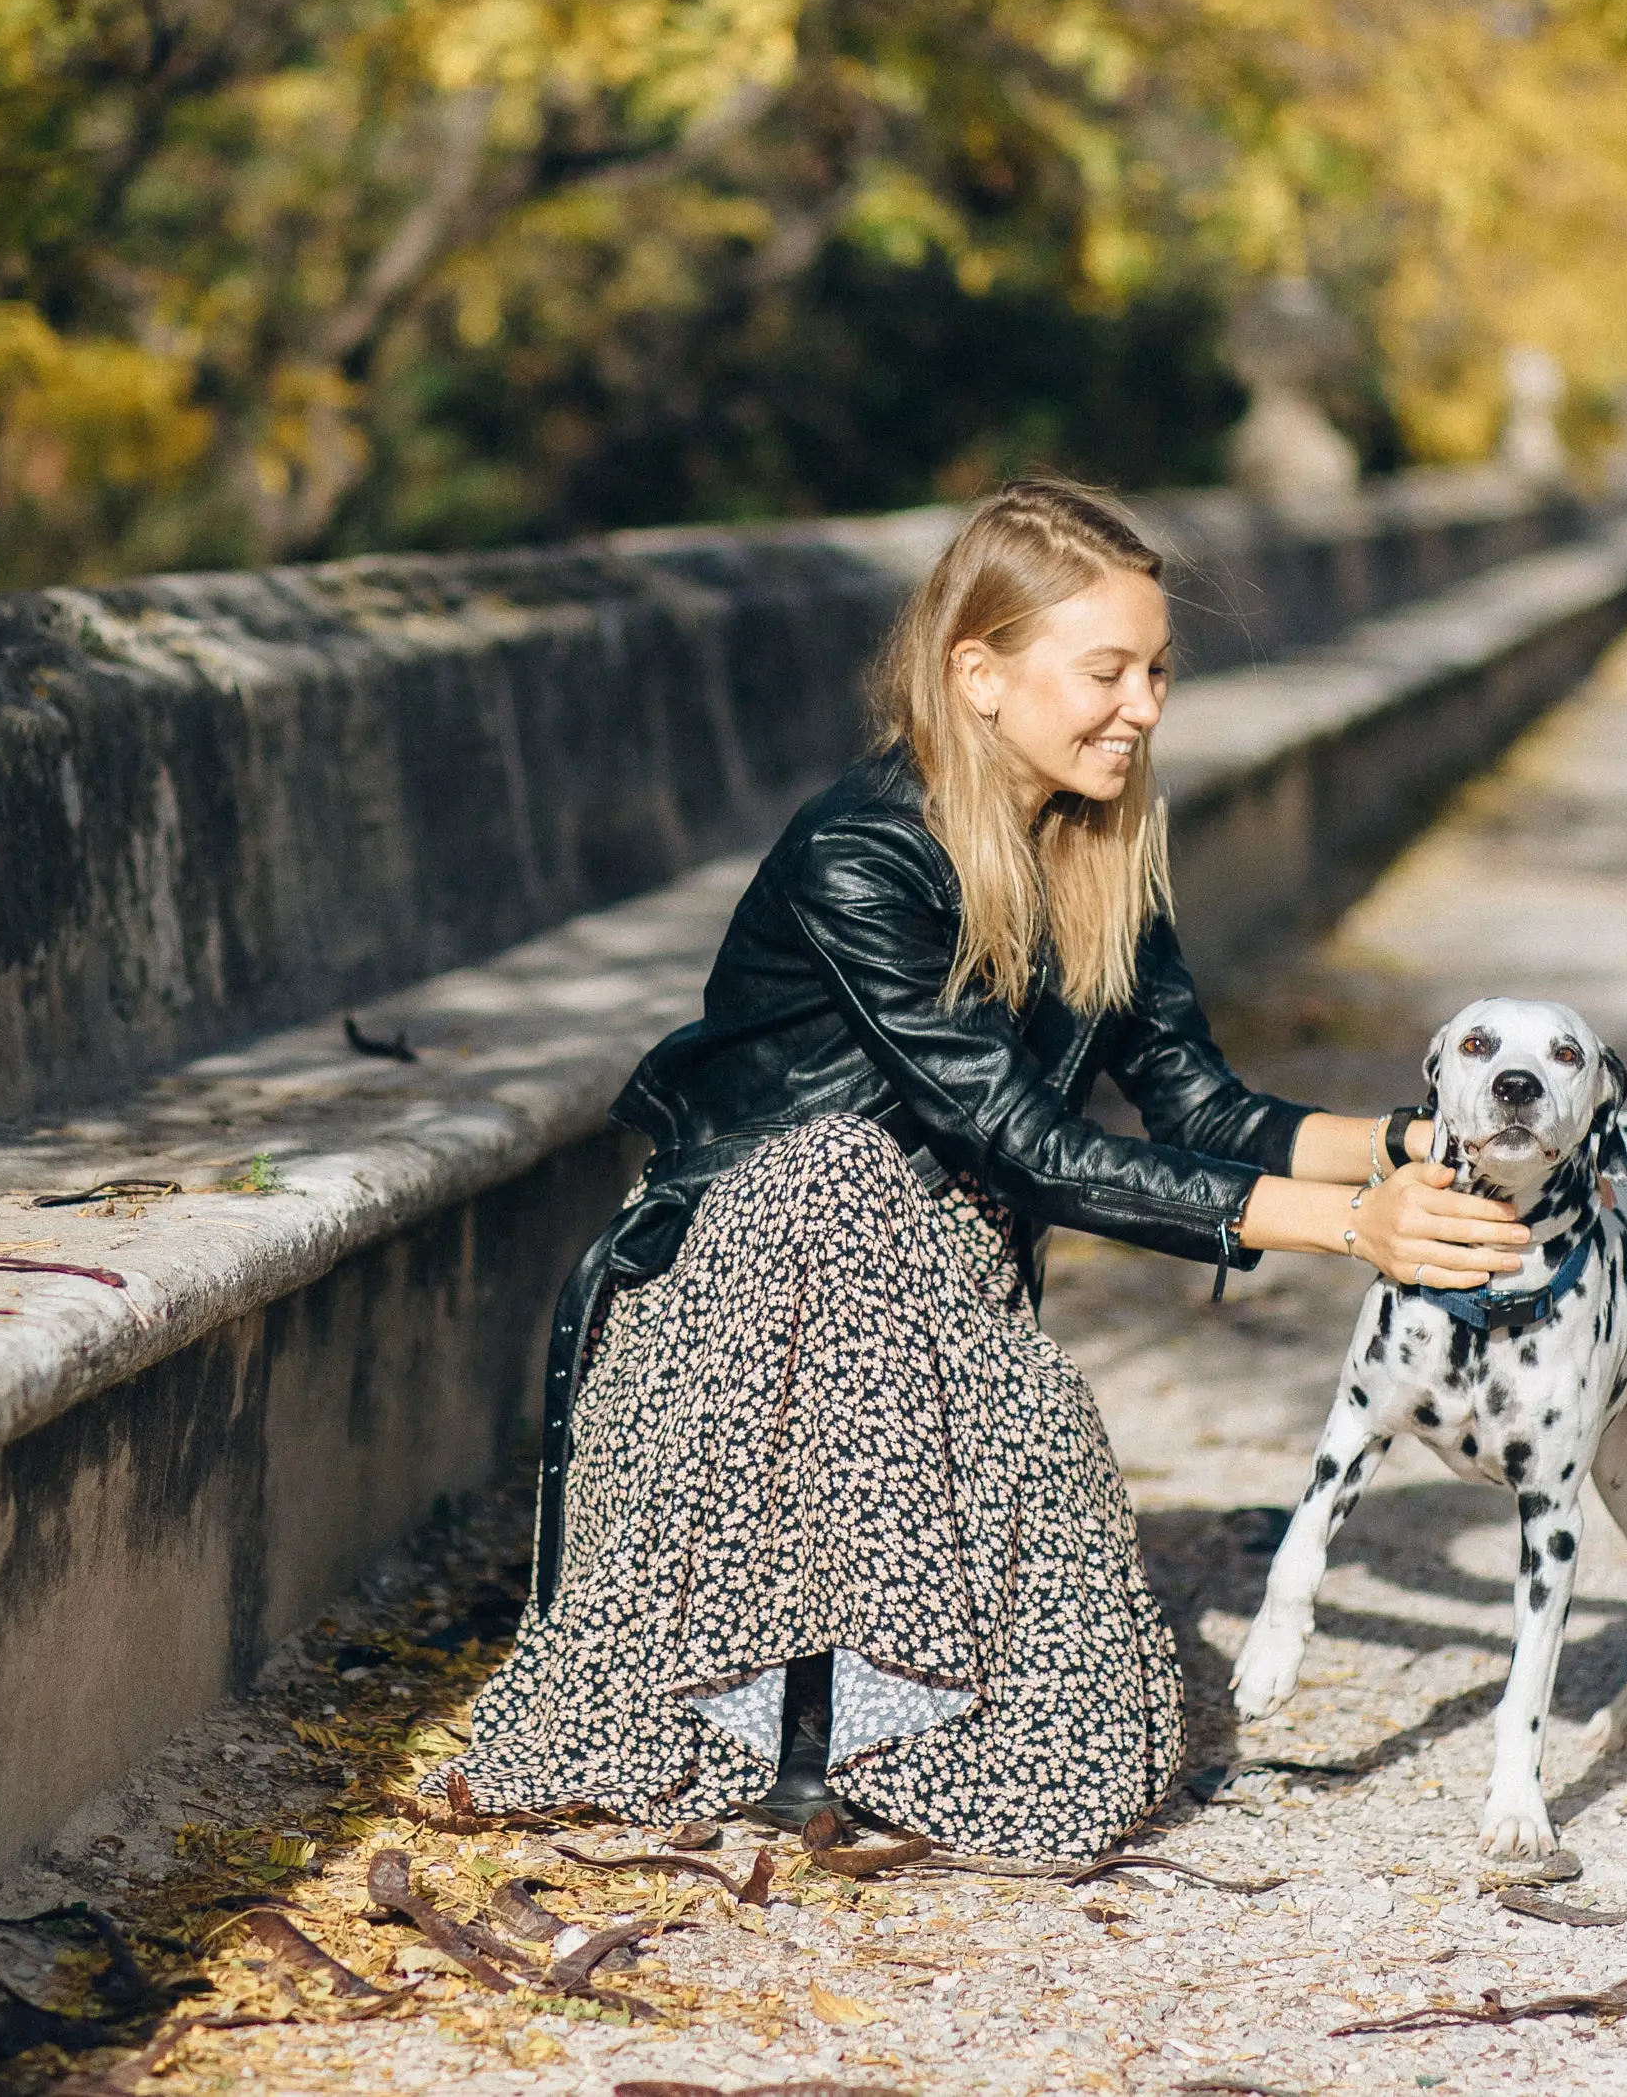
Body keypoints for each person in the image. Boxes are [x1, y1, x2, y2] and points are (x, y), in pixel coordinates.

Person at [451, 478, 1529, 1856]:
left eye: (1157, 672)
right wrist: (1349, 1231)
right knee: (834, 1176)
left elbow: (1199, 1105)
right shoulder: (864, 856)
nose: (1140, 708)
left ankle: (858, 1722)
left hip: (948, 1297)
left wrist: (1424, 1146)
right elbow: (1024, 1142)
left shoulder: (1102, 849)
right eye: (1106, 672)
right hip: (748, 1300)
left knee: (1087, 1767)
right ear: (979, 673)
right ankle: (796, 1725)